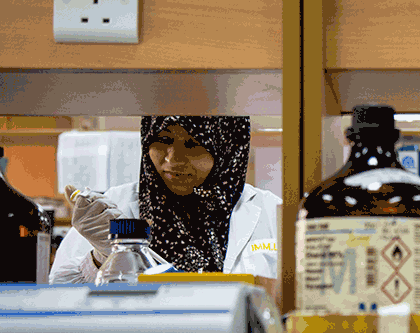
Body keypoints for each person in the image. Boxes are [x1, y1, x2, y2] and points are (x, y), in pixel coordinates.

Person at [50, 116, 282, 283]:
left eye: (192, 144)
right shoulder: (112, 207)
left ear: (227, 147)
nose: (173, 159)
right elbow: (58, 295)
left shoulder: (271, 212)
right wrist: (101, 257)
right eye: (163, 139)